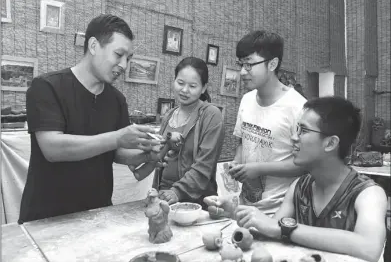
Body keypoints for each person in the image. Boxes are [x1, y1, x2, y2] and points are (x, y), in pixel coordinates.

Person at [18, 14, 161, 223]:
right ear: (93, 45)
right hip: (46, 216)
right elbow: (52, 148)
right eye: (119, 54)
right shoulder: (47, 87)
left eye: (128, 58)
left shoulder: (116, 100)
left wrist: (148, 154)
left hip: (97, 214)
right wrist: (117, 138)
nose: (123, 65)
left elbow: (117, 154)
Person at [208, 97, 388, 262]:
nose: (294, 137)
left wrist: (286, 229)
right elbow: (272, 230)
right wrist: (233, 212)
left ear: (331, 143)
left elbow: (369, 247)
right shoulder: (300, 187)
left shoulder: (367, 193)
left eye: (303, 130)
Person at [227, 30, 307, 215]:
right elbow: (242, 142)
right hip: (245, 205)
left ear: (272, 64)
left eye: (249, 65)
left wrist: (258, 169)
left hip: (281, 211)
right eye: (240, 64)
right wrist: (237, 162)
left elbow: (305, 164)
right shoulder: (246, 100)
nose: (242, 72)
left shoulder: (298, 107)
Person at [135, 57, 224, 209]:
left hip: (196, 201)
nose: (184, 90)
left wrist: (177, 192)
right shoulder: (169, 115)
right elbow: (159, 157)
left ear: (203, 88)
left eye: (192, 86)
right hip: (164, 195)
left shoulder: (211, 115)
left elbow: (204, 166)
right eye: (180, 83)